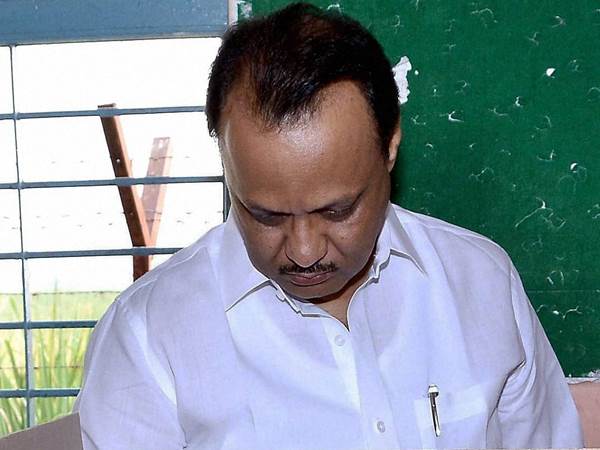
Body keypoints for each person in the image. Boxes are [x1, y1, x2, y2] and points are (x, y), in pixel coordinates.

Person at [74, 3, 583, 449]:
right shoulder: (146, 338)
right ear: (226, 166)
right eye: (265, 215)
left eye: (337, 211)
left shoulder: (481, 283)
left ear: (390, 147)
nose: (303, 251)